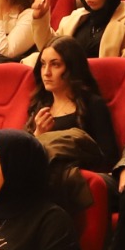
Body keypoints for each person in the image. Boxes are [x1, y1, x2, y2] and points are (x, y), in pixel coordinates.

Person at [26, 37, 118, 171]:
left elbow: (109, 158)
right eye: (43, 64)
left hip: (76, 180)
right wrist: (38, 135)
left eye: (55, 64)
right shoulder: (39, 104)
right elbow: (24, 158)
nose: (46, 72)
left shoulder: (92, 104)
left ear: (72, 68)